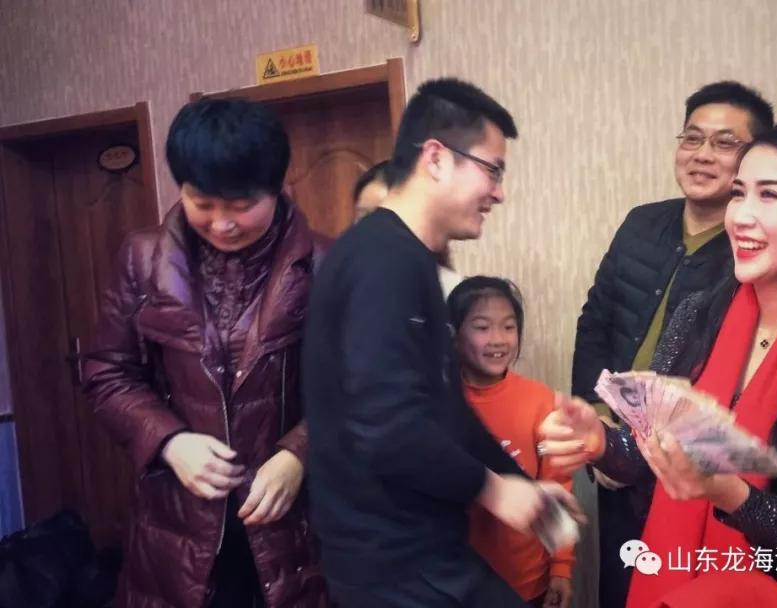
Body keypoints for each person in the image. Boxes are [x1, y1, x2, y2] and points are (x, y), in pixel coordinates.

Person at [544, 120, 777, 607]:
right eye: (739, 193)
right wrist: (601, 442)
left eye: (769, 195)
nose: (740, 216)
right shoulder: (698, 315)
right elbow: (650, 456)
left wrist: (728, 493)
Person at [303, 78, 581, 607]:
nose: (499, 192)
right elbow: (389, 426)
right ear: (435, 158)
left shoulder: (410, 259)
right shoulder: (382, 260)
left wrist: (519, 484)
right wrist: (495, 491)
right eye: (492, 170)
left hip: (420, 552)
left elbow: (446, 410)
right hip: (392, 563)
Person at [82, 97, 327, 607]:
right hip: (176, 526)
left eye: (240, 205)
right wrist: (170, 442)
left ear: (278, 187)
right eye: (203, 203)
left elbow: (360, 385)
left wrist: (298, 453)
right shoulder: (142, 258)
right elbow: (107, 372)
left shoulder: (328, 262)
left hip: (296, 526)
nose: (221, 223)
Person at [571, 81, 774, 608]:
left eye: (724, 143)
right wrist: (601, 422)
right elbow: (595, 320)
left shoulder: (751, 250)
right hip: (612, 456)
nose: (702, 154)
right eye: (692, 138)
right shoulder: (641, 223)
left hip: (688, 470)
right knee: (620, 589)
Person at [447, 276, 576, 608]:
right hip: (459, 583)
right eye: (482, 327)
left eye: (508, 327)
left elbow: (557, 482)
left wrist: (561, 569)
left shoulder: (539, 401)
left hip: (527, 581)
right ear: (454, 335)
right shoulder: (442, 402)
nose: (498, 339)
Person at [352, 159, 463, 296]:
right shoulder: (345, 284)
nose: (375, 225)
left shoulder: (455, 292)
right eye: (365, 215)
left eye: (388, 216)